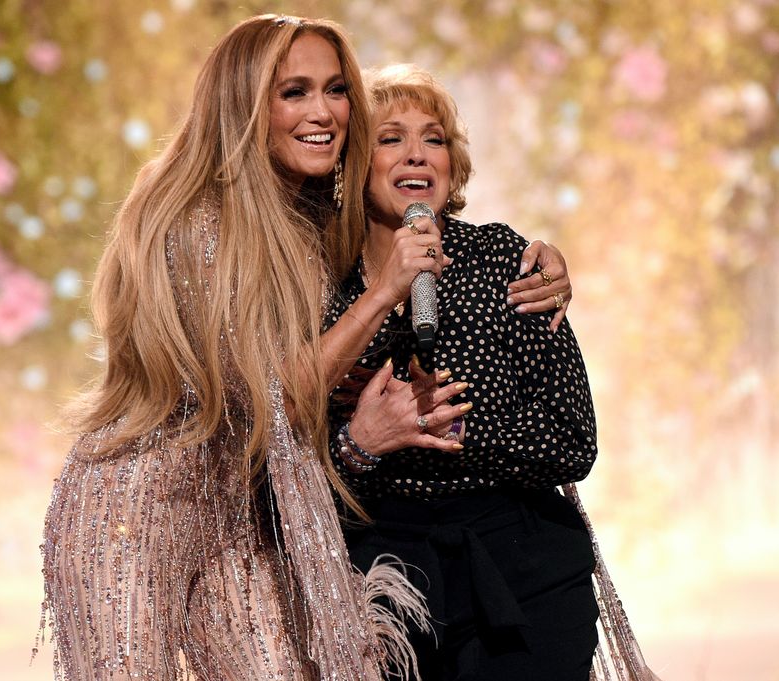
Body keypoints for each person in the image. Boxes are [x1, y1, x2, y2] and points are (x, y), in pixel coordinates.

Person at [39, 14, 576, 681]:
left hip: (248, 519)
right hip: (134, 516)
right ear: (245, 103)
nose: (322, 111)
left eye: (334, 89)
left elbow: (411, 218)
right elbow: (266, 396)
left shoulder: (319, 216)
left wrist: (539, 262)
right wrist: (383, 293)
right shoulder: (192, 218)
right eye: (293, 92)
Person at [326, 64, 656, 681]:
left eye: (435, 137)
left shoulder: (508, 260)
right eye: (391, 137)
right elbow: (282, 464)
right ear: (354, 161)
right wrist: (362, 446)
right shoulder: (317, 288)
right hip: (380, 585)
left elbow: (571, 439)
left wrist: (457, 434)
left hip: (523, 571)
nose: (417, 153)